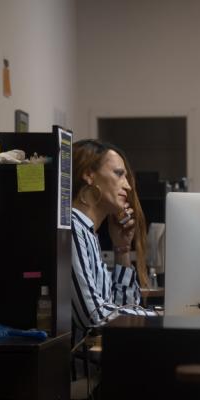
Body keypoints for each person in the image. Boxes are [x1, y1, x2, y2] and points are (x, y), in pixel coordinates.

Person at [70, 139, 156, 341]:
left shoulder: (89, 233)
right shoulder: (72, 230)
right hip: (80, 369)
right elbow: (95, 316)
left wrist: (122, 248)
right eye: (119, 174)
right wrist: (160, 317)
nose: (127, 186)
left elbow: (122, 309)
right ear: (89, 174)